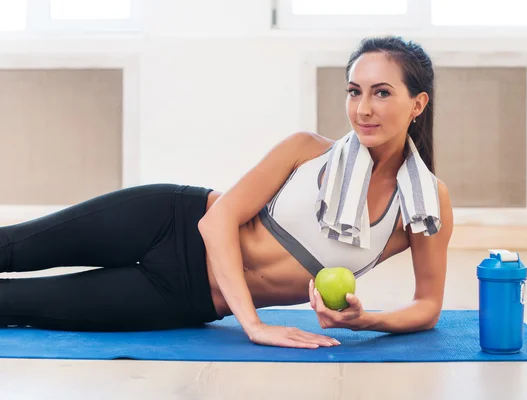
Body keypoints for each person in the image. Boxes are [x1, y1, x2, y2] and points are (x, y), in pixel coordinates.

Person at [0, 35, 453, 349]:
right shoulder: (304, 150)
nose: (363, 108)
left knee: (14, 304)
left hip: (186, 296)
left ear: (418, 103)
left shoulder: (424, 206)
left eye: (381, 93)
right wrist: (253, 325)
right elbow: (216, 220)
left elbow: (427, 305)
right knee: (12, 247)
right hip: (164, 220)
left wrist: (365, 321)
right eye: (355, 91)